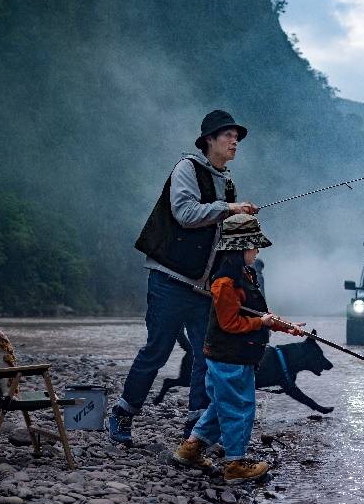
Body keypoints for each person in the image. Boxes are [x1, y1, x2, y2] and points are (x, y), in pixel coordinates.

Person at [110, 110, 258, 446]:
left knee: (206, 356)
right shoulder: (187, 168)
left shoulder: (228, 182)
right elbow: (186, 213)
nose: (235, 141)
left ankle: (194, 430)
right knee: (157, 351)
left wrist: (242, 230)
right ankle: (123, 413)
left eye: (237, 137)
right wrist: (230, 209)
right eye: (228, 136)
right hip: (170, 280)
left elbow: (222, 236)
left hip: (204, 287)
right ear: (209, 140)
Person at [175, 214, 305, 483]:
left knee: (222, 404)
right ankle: (234, 464)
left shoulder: (245, 274)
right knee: (240, 407)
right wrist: (261, 321)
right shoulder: (224, 283)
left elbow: (258, 313)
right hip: (228, 358)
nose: (257, 250)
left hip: (239, 357)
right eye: (254, 246)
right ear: (240, 248)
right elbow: (230, 323)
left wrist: (285, 326)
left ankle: (190, 449)